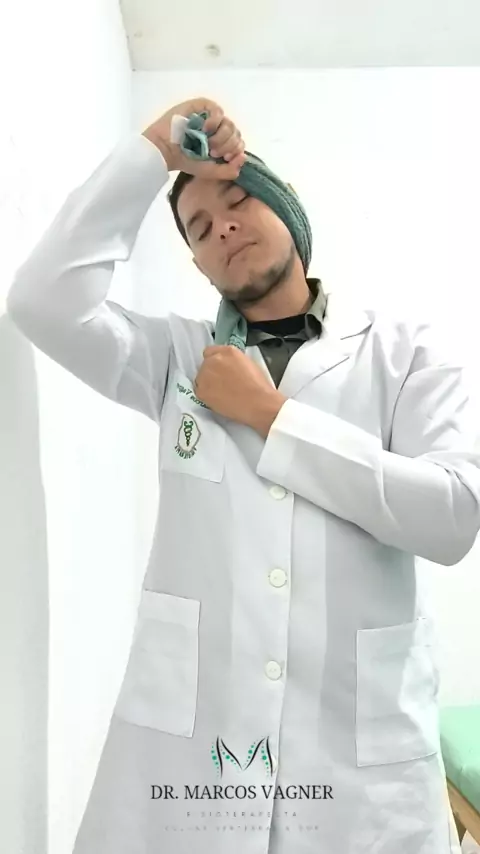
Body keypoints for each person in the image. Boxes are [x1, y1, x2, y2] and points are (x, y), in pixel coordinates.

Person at [7, 96, 480, 854]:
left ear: (287, 212)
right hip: (195, 752)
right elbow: (42, 301)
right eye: (199, 228)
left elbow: (452, 517)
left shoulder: (404, 355)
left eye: (238, 199)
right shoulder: (174, 359)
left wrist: (270, 415)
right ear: (196, 264)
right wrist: (156, 151)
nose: (222, 226)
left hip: (359, 763)